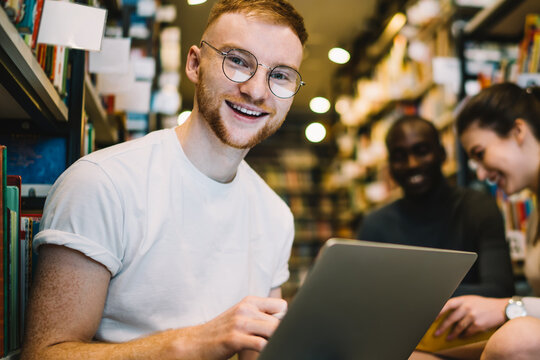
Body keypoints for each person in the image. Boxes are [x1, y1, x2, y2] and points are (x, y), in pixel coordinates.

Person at [21, 1, 307, 359]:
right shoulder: (102, 184)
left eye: (280, 75)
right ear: (194, 63)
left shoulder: (276, 216)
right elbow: (44, 354)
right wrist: (193, 343)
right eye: (237, 60)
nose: (257, 90)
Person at [434, 82, 540, 360]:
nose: (480, 175)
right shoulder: (534, 208)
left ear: (518, 131)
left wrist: (508, 307)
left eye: (480, 154)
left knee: (516, 340)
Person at [357, 115, 515, 297]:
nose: (412, 164)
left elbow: (500, 291)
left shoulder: (478, 207)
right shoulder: (375, 225)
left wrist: (405, 295)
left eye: (421, 151)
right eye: (400, 157)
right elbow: (366, 297)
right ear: (390, 166)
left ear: (442, 154)